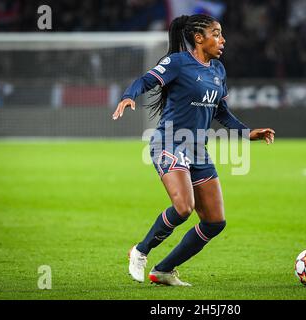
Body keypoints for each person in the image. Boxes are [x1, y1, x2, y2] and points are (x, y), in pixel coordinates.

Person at [112, 14, 275, 286]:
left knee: (214, 222)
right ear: (199, 38)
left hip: (198, 149)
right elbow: (145, 80)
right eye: (216, 34)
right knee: (184, 208)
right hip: (169, 142)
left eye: (221, 34)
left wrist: (248, 133)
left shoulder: (218, 70)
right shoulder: (178, 63)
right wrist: (129, 96)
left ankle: (163, 270)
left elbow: (221, 111)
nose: (222, 40)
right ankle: (140, 251)